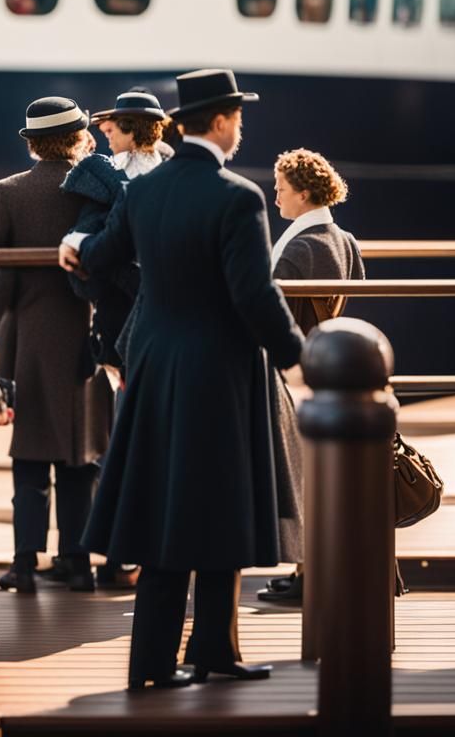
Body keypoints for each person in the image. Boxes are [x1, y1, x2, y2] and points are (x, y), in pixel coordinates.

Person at [62, 69, 304, 690]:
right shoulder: (238, 197)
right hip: (221, 374)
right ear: (221, 122)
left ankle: (156, 660)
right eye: (238, 118)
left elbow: (100, 254)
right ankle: (213, 651)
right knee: (221, 510)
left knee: (165, 513)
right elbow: (255, 294)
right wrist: (297, 355)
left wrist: (74, 247)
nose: (240, 127)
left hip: (155, 366)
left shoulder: (144, 192)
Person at [0, 97, 108, 595]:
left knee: (30, 459)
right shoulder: (95, 188)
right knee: (80, 457)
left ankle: (25, 565)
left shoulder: (11, 191)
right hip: (84, 333)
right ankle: (79, 563)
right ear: (79, 138)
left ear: (31, 143)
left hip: (27, 337)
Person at [57, 90, 174, 591]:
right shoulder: (164, 175)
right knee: (151, 439)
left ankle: (126, 553)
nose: (102, 130)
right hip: (157, 326)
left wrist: (79, 245)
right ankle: (138, 552)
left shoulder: (117, 181)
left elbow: (97, 254)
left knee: (130, 439)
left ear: (132, 128)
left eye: (111, 125)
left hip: (133, 329)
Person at [258, 148, 365, 604]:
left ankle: (307, 573)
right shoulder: (345, 240)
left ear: (303, 193)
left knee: (302, 478)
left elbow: (271, 312)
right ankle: (308, 568)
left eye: (281, 188)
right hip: (330, 372)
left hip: (293, 378)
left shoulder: (297, 248)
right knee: (319, 477)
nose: (275, 195)